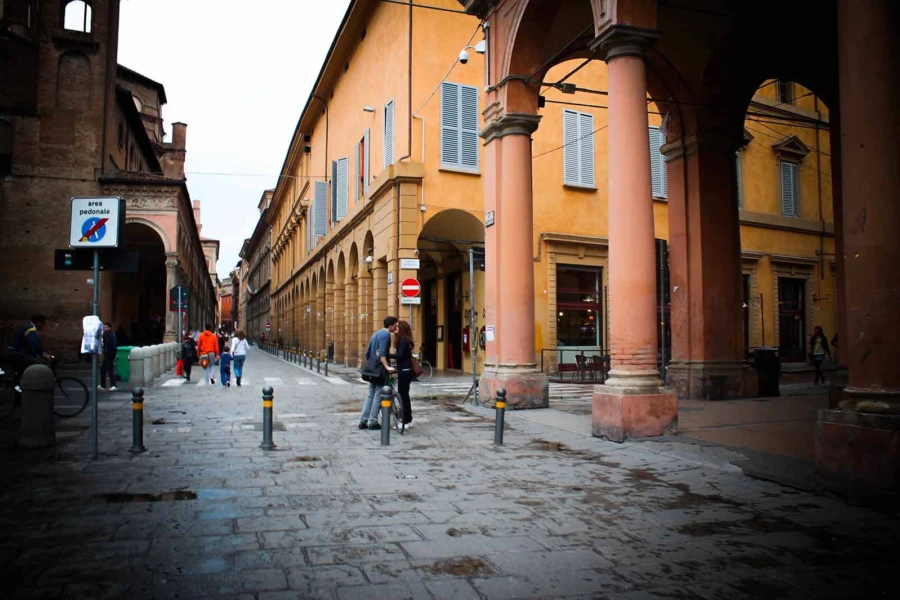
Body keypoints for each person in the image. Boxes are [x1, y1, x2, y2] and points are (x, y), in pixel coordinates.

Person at [359, 316, 398, 431]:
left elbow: (367, 353)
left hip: (371, 369)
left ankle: (363, 421)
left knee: (370, 395)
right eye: (395, 324)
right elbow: (382, 354)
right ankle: (373, 421)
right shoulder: (386, 335)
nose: (396, 327)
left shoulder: (376, 334)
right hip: (379, 370)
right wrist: (387, 366)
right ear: (390, 325)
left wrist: (372, 363)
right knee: (378, 395)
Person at [6, 315, 53, 379]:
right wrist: (43, 354)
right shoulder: (30, 329)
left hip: (15, 353)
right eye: (44, 323)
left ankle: (19, 385)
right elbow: (34, 344)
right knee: (39, 365)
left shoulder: (29, 327)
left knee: (27, 368)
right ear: (38, 323)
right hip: (16, 354)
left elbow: (30, 347)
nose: (44, 326)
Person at [389, 320, 415, 429]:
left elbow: (399, 355)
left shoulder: (403, 340)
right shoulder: (406, 339)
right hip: (406, 370)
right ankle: (408, 419)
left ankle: (405, 421)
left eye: (398, 327)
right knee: (405, 395)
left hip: (404, 370)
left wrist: (387, 355)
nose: (396, 328)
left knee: (403, 396)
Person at [99, 322, 118, 391]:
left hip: (109, 355)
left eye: (106, 327)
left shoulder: (112, 335)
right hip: (106, 354)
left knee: (110, 370)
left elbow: (113, 345)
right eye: (104, 327)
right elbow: (102, 343)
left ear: (110, 328)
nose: (104, 328)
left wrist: (112, 354)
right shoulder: (104, 335)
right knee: (103, 370)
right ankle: (102, 385)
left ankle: (114, 385)